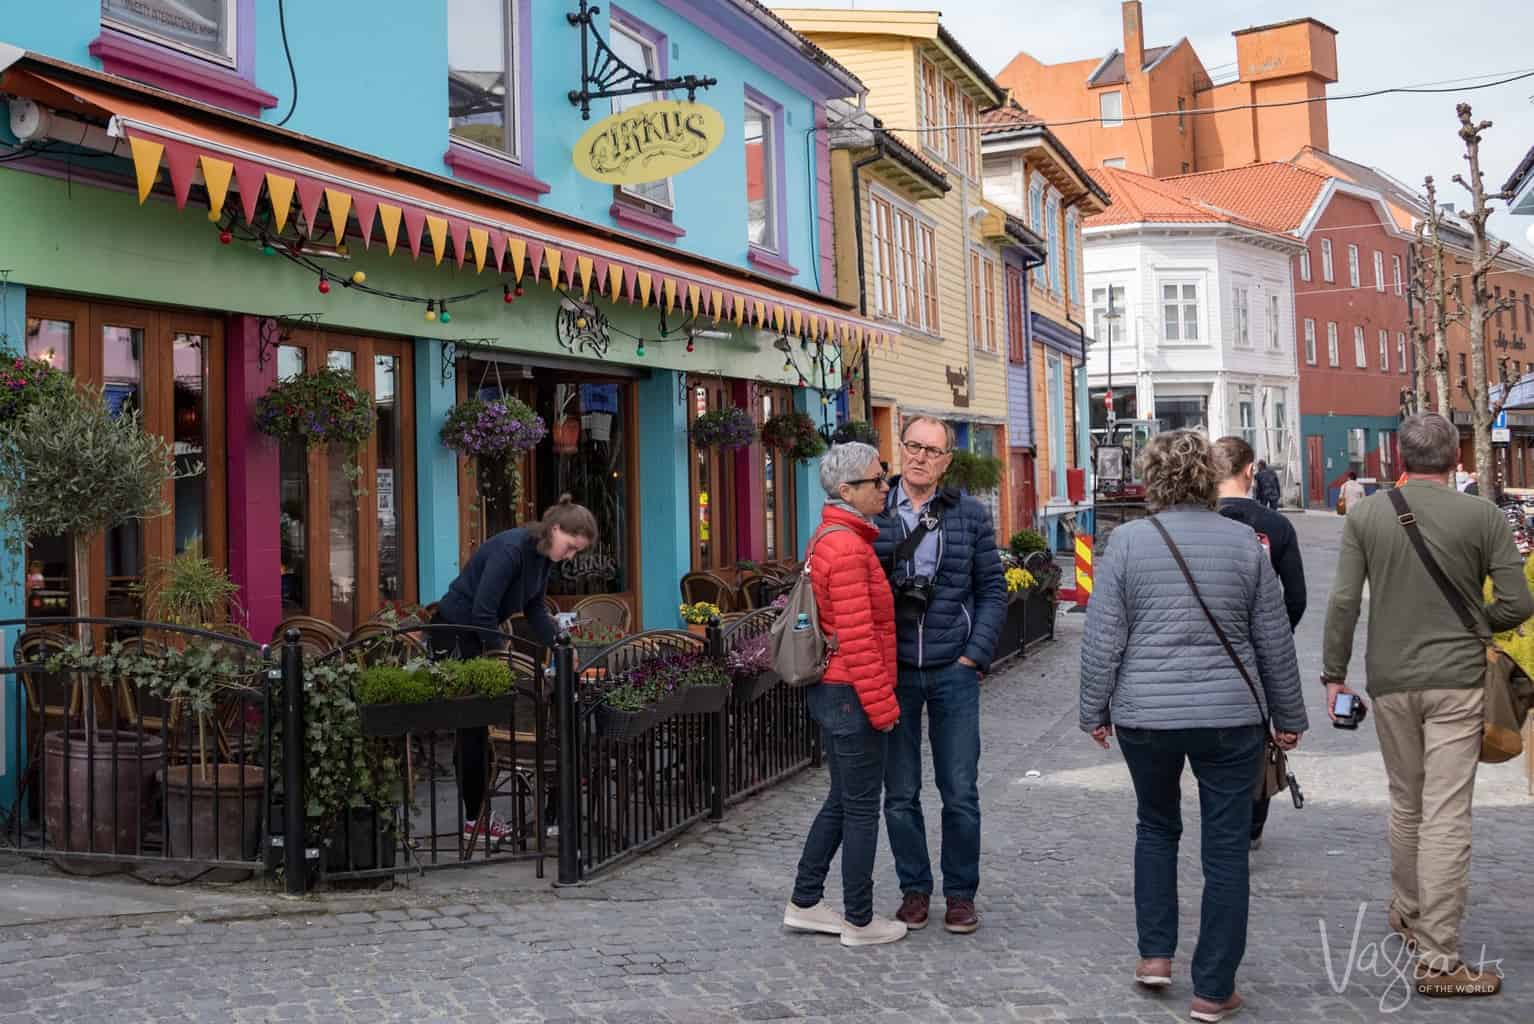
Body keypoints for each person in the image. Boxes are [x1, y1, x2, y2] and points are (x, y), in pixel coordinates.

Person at [1080, 430, 1307, 1023]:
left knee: (1155, 827)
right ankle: (1213, 988)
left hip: (1146, 715)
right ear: (1211, 477)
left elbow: (1104, 637)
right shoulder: (1243, 544)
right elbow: (1272, 641)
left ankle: (1156, 956)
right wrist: (1289, 718)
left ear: (1152, 477)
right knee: (1226, 849)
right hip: (1230, 717)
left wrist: (1093, 710)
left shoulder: (1126, 542)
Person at [1322, 413, 1531, 998]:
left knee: (1406, 802)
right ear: (1453, 461)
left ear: (1400, 461)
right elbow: (1518, 602)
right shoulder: (1482, 516)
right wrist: (1476, 627)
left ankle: (1409, 913)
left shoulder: (1366, 514)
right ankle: (1439, 958)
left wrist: (1333, 674)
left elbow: (1343, 601)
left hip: (1390, 679)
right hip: (1460, 680)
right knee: (1446, 812)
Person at [874, 416, 1006, 935]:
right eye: (912, 446)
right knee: (901, 792)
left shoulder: (969, 514)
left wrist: (974, 654)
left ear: (947, 460)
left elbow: (992, 589)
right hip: (896, 670)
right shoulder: (875, 511)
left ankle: (959, 894)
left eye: (931, 450)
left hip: (953, 667)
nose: (920, 457)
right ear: (900, 449)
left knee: (960, 790)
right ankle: (914, 890)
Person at [784, 443, 906, 946]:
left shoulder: (833, 538)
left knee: (841, 800)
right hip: (850, 693)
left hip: (838, 691)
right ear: (847, 490)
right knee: (859, 808)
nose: (885, 487)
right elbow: (858, 638)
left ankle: (805, 901)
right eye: (877, 480)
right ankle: (859, 919)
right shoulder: (850, 549)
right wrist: (883, 709)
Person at [433, 495, 597, 846]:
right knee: (475, 723)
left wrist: (561, 647)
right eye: (570, 547)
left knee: (487, 721)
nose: (570, 557)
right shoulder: (511, 551)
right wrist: (501, 660)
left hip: (479, 631)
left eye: (575, 552)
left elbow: (535, 609)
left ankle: (486, 812)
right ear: (555, 529)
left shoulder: (542, 557)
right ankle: (473, 819)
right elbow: (482, 612)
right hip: (455, 630)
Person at [1214, 437, 1306, 850]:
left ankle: (1218, 817)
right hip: (1258, 653)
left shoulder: (1196, 522)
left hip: (1206, 648)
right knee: (1256, 737)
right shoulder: (1277, 526)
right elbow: (1297, 596)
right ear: (1251, 470)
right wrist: (1275, 636)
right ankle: (1252, 822)